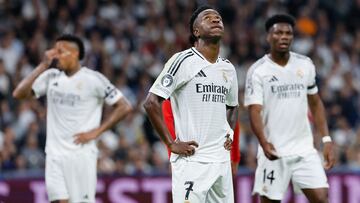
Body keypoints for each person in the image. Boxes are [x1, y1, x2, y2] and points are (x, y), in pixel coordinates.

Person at [12, 34, 132, 203]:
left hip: (81, 155)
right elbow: (19, 93)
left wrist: (97, 132)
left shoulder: (93, 79)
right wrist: (43, 65)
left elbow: (124, 106)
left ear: (74, 54)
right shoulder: (51, 77)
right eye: (54, 51)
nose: (55, 55)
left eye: (60, 51)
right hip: (54, 155)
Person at [144, 5, 239, 203]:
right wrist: (171, 143)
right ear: (196, 32)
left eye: (218, 17)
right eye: (207, 18)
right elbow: (151, 103)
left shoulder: (228, 68)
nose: (215, 20)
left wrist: (229, 133)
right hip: (192, 160)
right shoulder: (182, 61)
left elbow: (233, 105)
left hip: (220, 160)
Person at [244, 14, 335, 203]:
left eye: (288, 33)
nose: (284, 36)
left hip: (304, 149)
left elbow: (316, 103)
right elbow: (254, 110)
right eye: (278, 32)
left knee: (321, 198)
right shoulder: (258, 70)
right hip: (274, 150)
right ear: (268, 37)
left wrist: (326, 139)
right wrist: (263, 142)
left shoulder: (305, 64)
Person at [161, 99, 241, 176]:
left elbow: (232, 112)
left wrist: (234, 157)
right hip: (189, 156)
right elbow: (167, 112)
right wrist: (172, 152)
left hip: (216, 155)